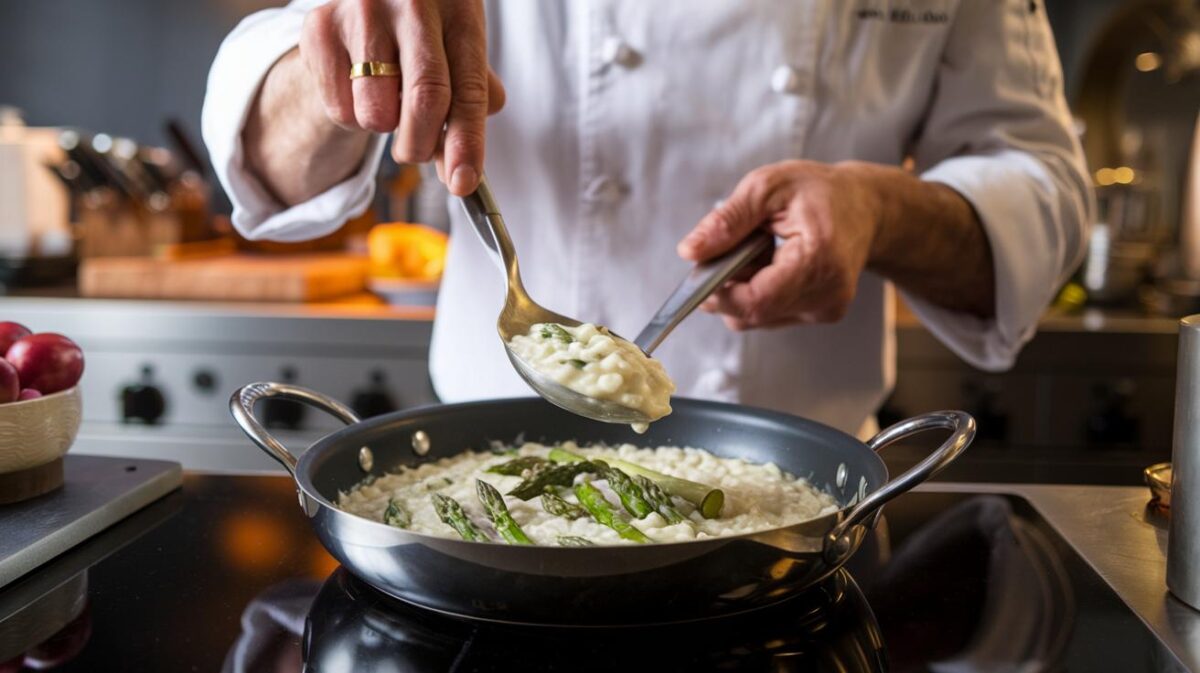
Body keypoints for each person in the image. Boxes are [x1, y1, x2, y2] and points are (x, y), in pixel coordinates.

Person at [202, 1, 1091, 438]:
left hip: (797, 517)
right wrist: (337, 79)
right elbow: (265, 158)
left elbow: (1044, 192)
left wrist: (880, 211)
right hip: (477, 493)